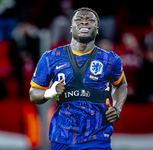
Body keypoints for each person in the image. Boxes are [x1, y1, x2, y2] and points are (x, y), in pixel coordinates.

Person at [29, 7, 127, 150]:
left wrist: (117, 109)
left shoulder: (111, 60)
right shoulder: (50, 57)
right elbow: (33, 94)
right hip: (62, 136)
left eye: (90, 20)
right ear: (70, 28)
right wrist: (50, 92)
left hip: (97, 136)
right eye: (79, 20)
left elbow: (121, 85)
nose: (85, 22)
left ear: (97, 28)